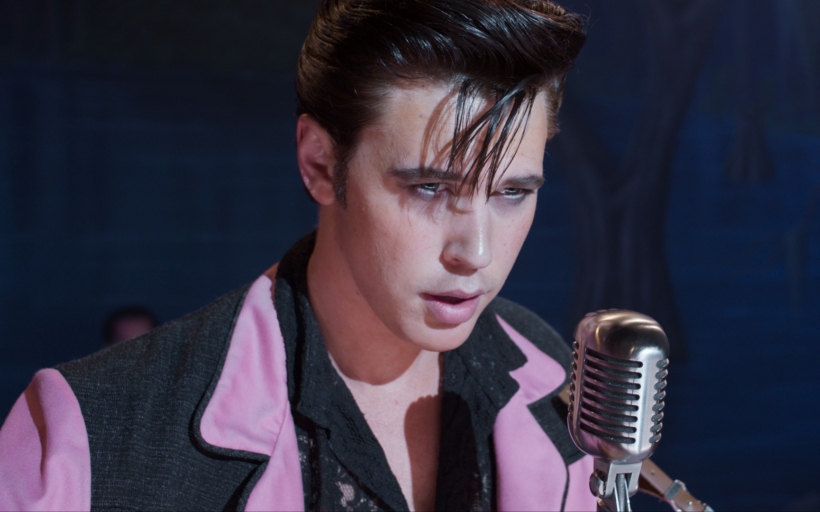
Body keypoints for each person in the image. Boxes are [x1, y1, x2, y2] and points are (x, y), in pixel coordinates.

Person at [0, 0, 592, 510]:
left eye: (512, 193)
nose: (477, 252)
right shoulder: (90, 440)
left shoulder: (553, 380)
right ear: (319, 164)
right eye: (429, 188)